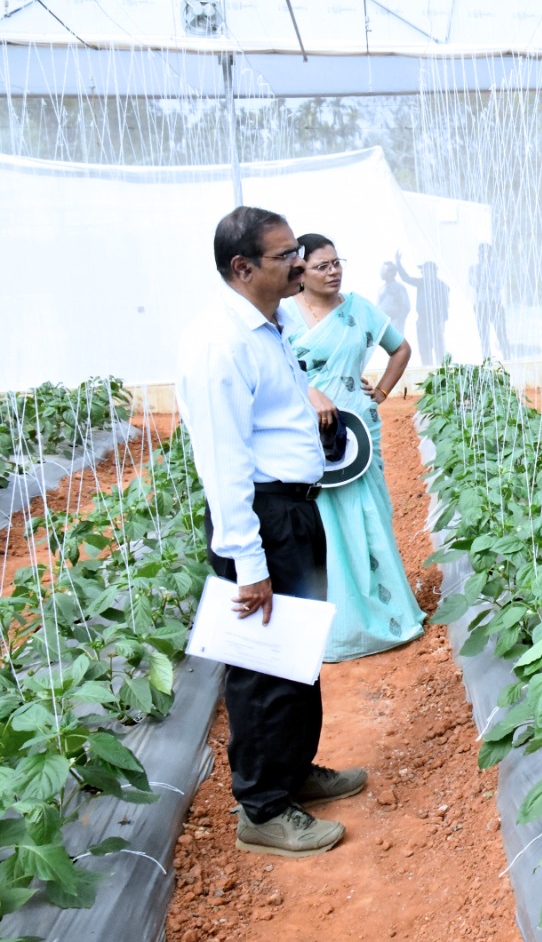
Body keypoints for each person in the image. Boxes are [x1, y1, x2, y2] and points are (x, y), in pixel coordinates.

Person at [175, 206, 366, 857]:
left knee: (298, 651)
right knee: (261, 666)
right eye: (286, 254)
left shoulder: (267, 326)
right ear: (242, 266)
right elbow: (222, 465)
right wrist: (247, 563)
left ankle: (294, 773)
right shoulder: (218, 344)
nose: (299, 261)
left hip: (291, 511)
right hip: (260, 519)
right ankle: (261, 807)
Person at [282, 233, 426, 662]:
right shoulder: (283, 317)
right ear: (300, 273)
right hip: (308, 436)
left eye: (336, 263)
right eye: (321, 266)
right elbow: (275, 368)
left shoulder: (359, 309)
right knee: (323, 526)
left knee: (370, 519)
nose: (333, 271)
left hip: (360, 432)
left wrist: (379, 393)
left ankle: (390, 615)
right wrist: (309, 394)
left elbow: (400, 348)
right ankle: (338, 629)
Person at [395, 255, 448, 367]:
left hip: (437, 321)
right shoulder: (421, 283)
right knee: (424, 348)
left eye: (426, 270)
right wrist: (398, 263)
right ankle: (426, 370)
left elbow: (445, 306)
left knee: (439, 348)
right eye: (423, 271)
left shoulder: (442, 286)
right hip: (422, 321)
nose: (423, 273)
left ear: (433, 272)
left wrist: (441, 324)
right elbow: (406, 278)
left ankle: (442, 370)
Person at [469, 242, 510, 361]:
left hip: (495, 304)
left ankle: (508, 358)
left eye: (487, 253)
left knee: (501, 333)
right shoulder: (473, 269)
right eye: (482, 253)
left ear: (491, 254)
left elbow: (499, 284)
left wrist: (489, 282)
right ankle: (486, 360)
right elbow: (473, 283)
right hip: (481, 305)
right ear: (478, 255)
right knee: (484, 337)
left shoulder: (498, 267)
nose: (484, 256)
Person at [377, 260, 409, 340]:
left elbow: (406, 306)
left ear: (391, 273)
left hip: (395, 324)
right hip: (383, 325)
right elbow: (378, 307)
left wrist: (399, 320)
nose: (381, 273)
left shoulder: (399, 288)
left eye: (383, 270)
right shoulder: (381, 289)